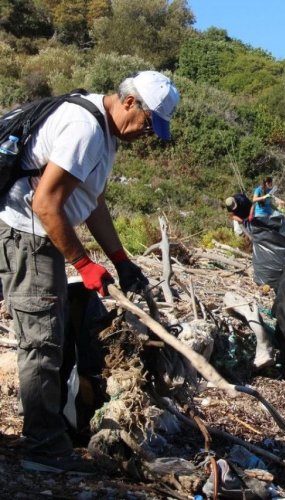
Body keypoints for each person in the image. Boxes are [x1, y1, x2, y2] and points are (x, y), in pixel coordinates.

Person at [0, 71, 179, 473]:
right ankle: (43, 446)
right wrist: (83, 263)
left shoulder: (104, 130)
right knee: (41, 341)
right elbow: (45, 205)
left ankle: (54, 429)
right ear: (130, 102)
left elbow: (92, 200)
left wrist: (120, 260)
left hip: (39, 235)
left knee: (54, 332)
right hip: (27, 236)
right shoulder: (85, 129)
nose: (147, 134)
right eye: (149, 124)